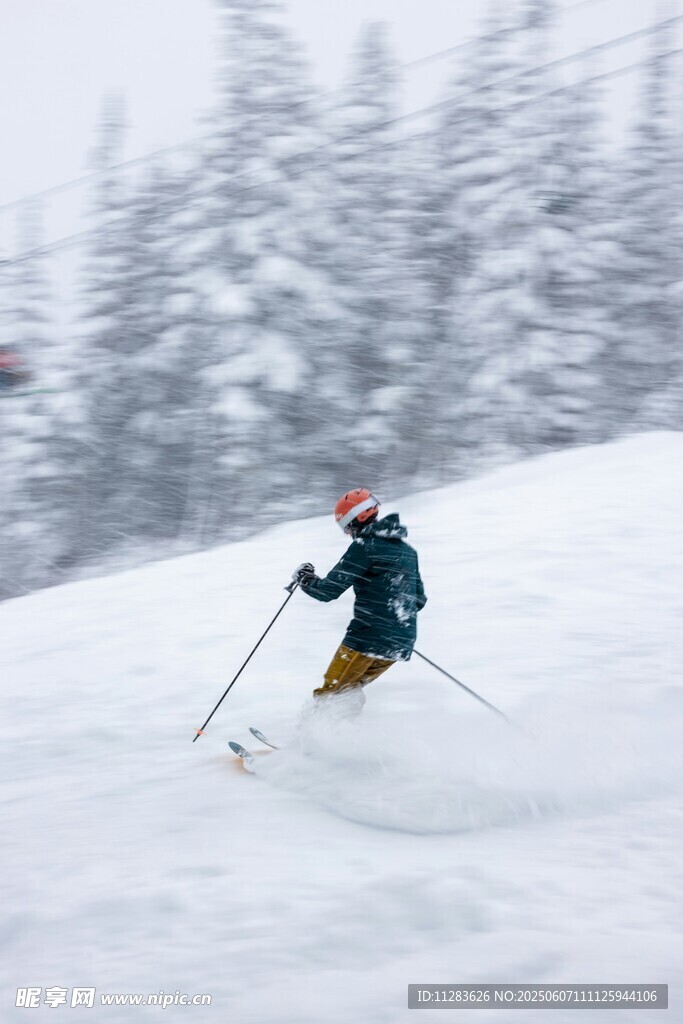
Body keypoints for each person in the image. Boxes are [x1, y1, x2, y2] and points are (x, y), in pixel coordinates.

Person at [292, 488, 427, 708]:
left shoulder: (364, 547)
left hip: (366, 638)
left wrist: (305, 579)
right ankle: (344, 737)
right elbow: (418, 600)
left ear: (356, 520)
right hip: (401, 642)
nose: (348, 533)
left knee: (331, 694)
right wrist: (392, 624)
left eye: (346, 527)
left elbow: (327, 591)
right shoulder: (407, 551)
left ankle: (317, 739)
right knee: (347, 693)